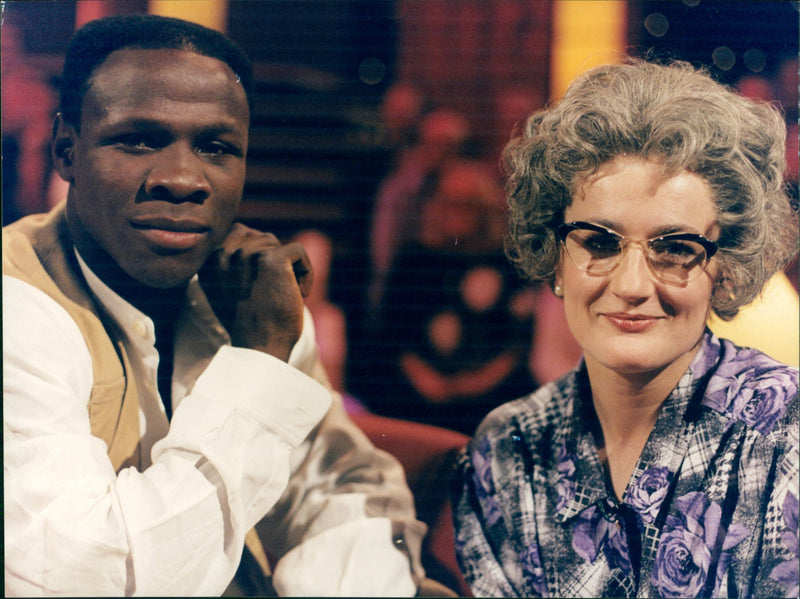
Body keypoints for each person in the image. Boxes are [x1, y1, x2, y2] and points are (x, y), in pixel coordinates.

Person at [3, 15, 430, 596]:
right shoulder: (17, 303)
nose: (183, 179)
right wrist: (256, 363)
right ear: (65, 150)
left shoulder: (250, 295)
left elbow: (345, 490)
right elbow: (92, 579)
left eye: (216, 147)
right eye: (139, 138)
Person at [452, 59, 799, 598]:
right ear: (555, 255)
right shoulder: (505, 451)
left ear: (723, 268)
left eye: (676, 248)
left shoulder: (785, 436)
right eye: (599, 242)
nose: (632, 284)